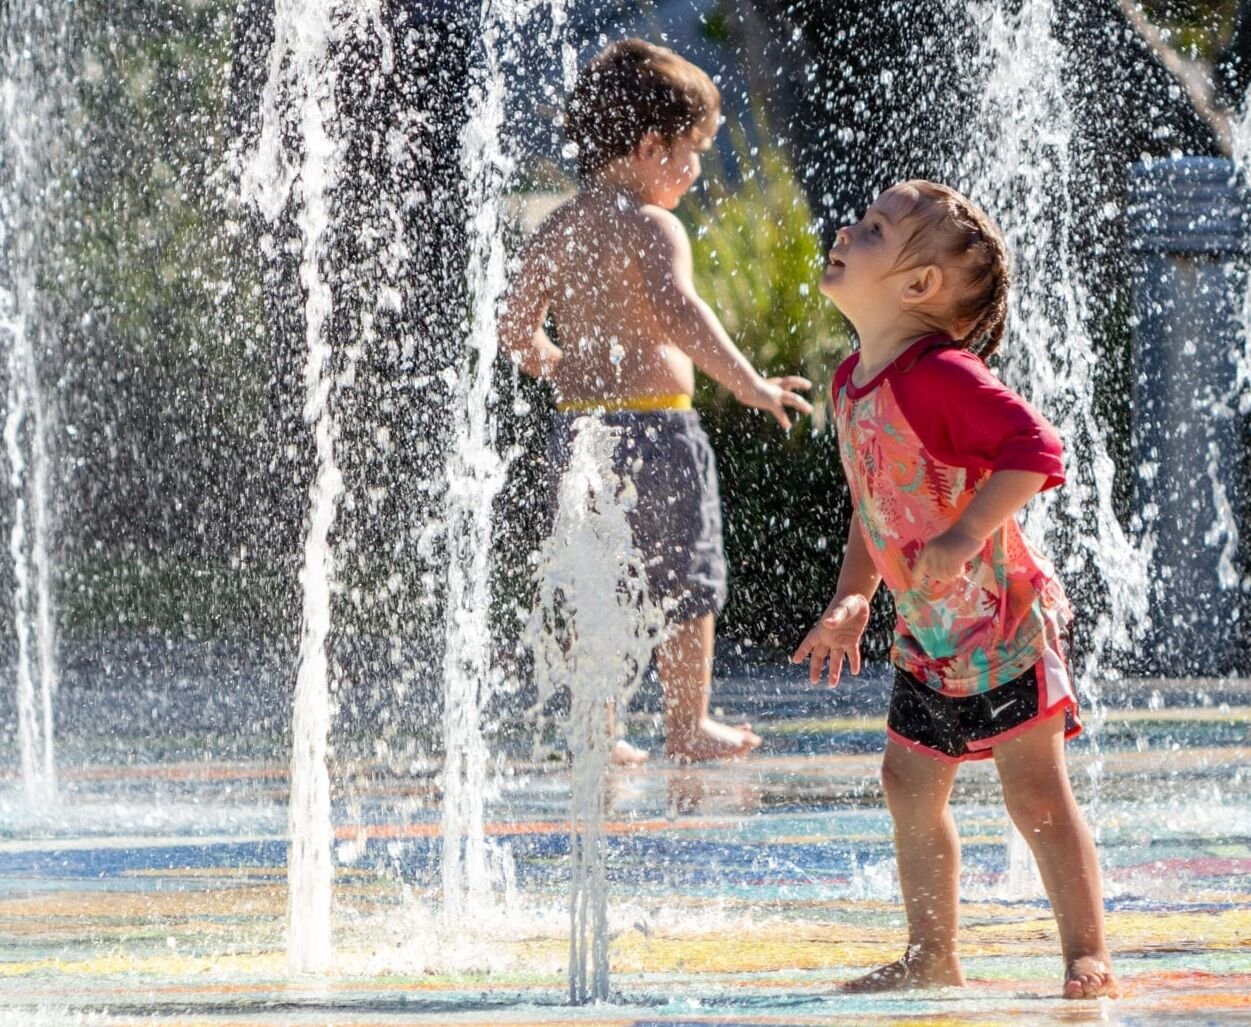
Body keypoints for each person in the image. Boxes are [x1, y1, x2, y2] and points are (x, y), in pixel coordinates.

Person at [792, 180, 1119, 1000]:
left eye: (872, 229)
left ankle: (1087, 953)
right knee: (906, 781)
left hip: (1003, 621)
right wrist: (852, 597)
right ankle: (931, 951)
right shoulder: (850, 383)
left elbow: (1037, 449)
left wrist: (965, 532)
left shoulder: (938, 374)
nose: (845, 227)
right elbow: (873, 499)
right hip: (927, 632)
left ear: (917, 287)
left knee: (1035, 791)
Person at [499, 38, 812, 764]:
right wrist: (749, 384)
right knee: (687, 577)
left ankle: (600, 730)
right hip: (657, 425)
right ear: (649, 147)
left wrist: (554, 364)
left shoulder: (559, 225)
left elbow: (515, 327)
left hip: (579, 433)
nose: (696, 169)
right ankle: (686, 722)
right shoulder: (652, 223)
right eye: (692, 151)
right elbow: (680, 311)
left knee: (596, 577)